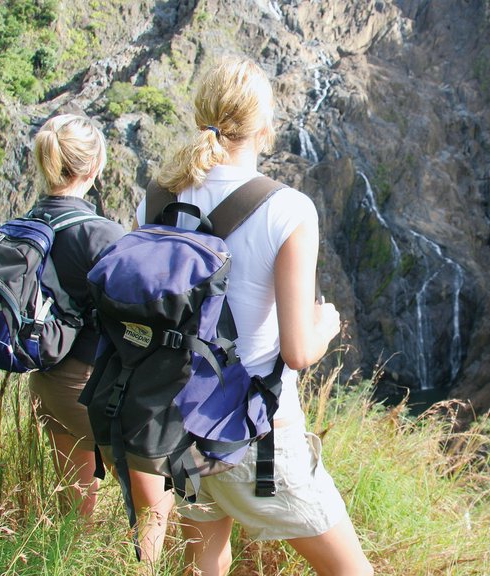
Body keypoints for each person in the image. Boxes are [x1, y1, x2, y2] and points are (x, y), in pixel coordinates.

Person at [135, 56, 373, 576]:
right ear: (265, 127)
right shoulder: (287, 209)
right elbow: (297, 351)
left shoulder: (154, 199)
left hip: (181, 424)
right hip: (258, 437)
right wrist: (326, 326)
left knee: (204, 563)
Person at [28, 113, 173, 560]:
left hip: (47, 379)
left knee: (74, 503)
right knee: (155, 502)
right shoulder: (100, 233)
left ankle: (70, 566)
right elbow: (144, 310)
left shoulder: (30, 223)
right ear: (94, 168)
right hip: (92, 385)